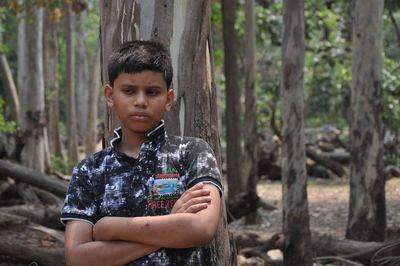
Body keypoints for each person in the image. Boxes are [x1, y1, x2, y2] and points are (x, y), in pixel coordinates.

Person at [60, 40, 223, 266]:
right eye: (128, 91)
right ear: (110, 95)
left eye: (152, 92)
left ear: (168, 98)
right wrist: (172, 224)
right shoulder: (90, 170)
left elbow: (202, 228)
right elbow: (78, 257)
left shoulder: (192, 153)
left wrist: (109, 227)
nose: (140, 101)